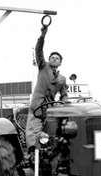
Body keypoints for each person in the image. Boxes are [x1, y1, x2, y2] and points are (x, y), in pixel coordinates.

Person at [25, 25, 69, 155]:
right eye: (52, 57)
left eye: (57, 58)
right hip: (37, 106)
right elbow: (39, 50)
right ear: (48, 61)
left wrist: (63, 103)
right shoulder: (43, 67)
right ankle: (33, 153)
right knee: (34, 133)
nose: (54, 59)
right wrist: (42, 35)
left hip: (50, 109)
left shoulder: (62, 79)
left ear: (60, 63)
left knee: (54, 133)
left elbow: (64, 95)